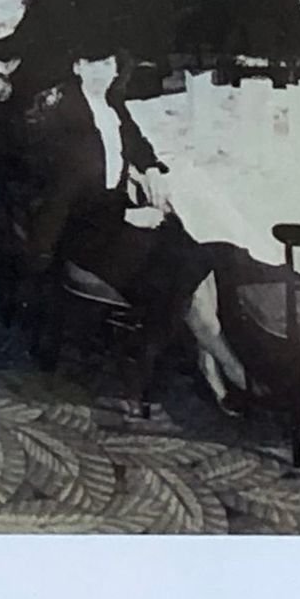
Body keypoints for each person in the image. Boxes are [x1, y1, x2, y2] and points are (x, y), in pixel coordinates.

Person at [14, 36, 220, 374]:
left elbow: (134, 139)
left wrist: (151, 168)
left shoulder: (109, 102)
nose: (102, 72)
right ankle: (202, 365)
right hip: (82, 234)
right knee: (177, 267)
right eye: (92, 65)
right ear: (78, 67)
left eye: (108, 64)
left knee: (194, 249)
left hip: (110, 217)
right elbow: (63, 201)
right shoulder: (67, 120)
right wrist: (127, 215)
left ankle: (214, 363)